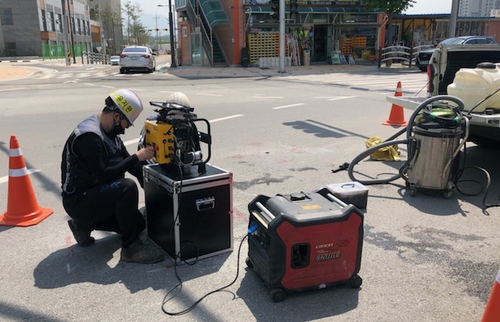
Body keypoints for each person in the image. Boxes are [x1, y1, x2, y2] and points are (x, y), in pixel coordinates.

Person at [61, 89, 164, 264]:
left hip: (97, 195)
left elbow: (130, 164)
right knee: (127, 187)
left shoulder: (109, 133)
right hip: (79, 201)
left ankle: (84, 224)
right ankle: (131, 249)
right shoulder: (90, 137)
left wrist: (154, 179)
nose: (125, 129)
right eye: (127, 123)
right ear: (117, 116)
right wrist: (136, 156)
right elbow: (103, 175)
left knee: (138, 224)